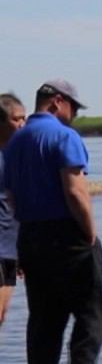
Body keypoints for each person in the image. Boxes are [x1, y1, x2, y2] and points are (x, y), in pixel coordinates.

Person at [1, 79, 102, 364]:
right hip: (68, 235)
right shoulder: (64, 137)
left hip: (31, 235)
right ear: (57, 102)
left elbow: (11, 197)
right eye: (73, 108)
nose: (74, 115)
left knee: (44, 323)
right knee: (93, 317)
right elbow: (75, 191)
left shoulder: (15, 142)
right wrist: (90, 233)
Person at [0, 92, 26, 330]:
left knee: (2, 314)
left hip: (10, 247)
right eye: (16, 119)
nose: (22, 124)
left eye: (24, 118)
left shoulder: (15, 156)